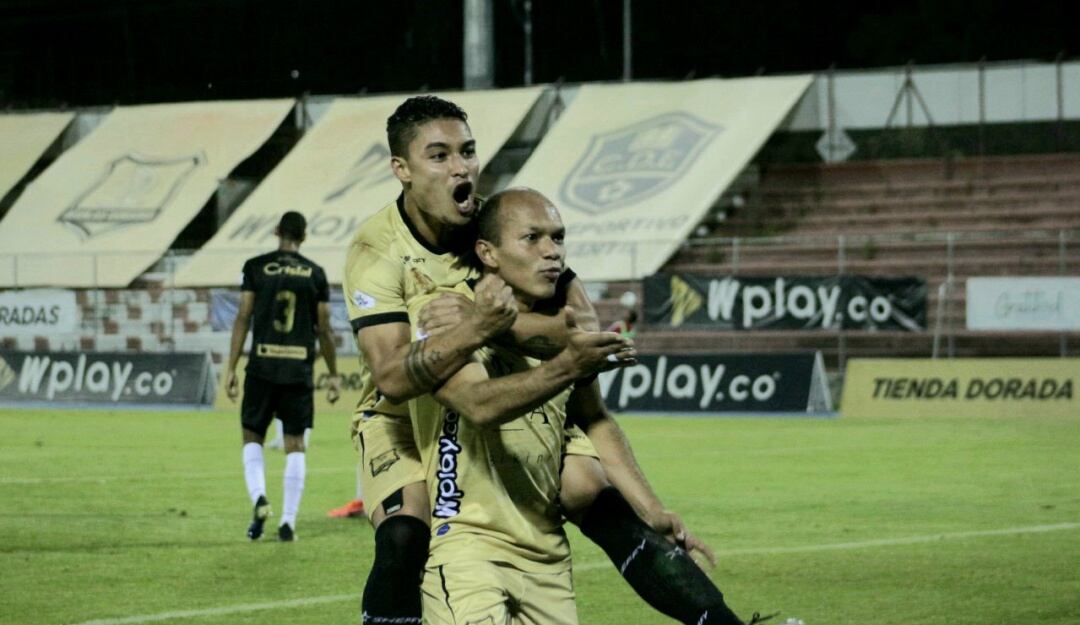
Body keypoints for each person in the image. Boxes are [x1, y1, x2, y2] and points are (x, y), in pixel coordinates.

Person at [343, 96, 759, 625]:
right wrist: (482, 327)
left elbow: (579, 325)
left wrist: (494, 325)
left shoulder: (502, 226)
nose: (461, 167)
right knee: (405, 532)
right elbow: (391, 377)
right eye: (440, 156)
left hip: (502, 382)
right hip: (399, 414)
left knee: (594, 492)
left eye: (468, 151)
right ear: (402, 169)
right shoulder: (376, 251)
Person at [415, 188, 771, 625]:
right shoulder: (448, 314)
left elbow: (594, 419)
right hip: (469, 547)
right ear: (488, 253)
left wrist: (652, 510)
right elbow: (479, 405)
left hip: (545, 555)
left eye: (558, 238)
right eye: (532, 238)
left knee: (589, 485)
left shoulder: (563, 326)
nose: (552, 251)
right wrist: (568, 363)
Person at [225, 211, 342, 542]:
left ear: (277, 231)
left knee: (252, 437)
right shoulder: (315, 274)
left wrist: (231, 367)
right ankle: (288, 522)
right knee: (295, 445)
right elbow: (324, 328)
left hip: (261, 366)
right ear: (304, 237)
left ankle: (260, 498)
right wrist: (333, 373)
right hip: (298, 369)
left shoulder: (255, 267)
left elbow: (243, 317)